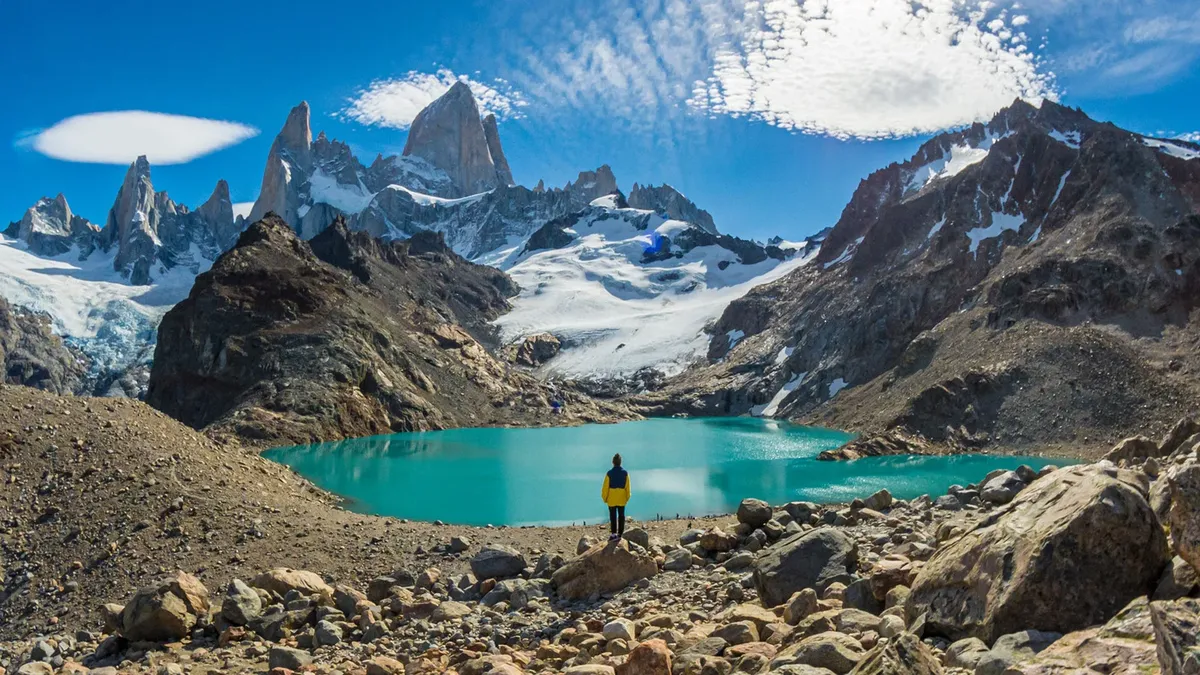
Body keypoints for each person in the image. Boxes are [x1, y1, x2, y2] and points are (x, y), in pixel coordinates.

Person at [601, 453, 630, 541]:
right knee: (621, 516)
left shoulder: (609, 473)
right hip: (621, 498)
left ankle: (613, 533)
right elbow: (627, 487)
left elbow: (605, 488)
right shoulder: (625, 473)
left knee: (613, 516)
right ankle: (620, 534)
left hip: (612, 498)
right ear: (620, 462)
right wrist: (627, 498)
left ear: (613, 462)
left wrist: (605, 498)